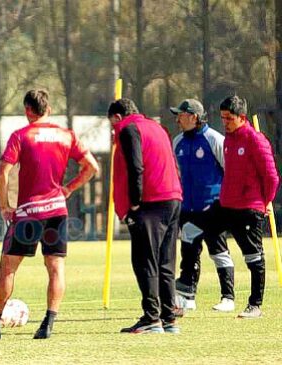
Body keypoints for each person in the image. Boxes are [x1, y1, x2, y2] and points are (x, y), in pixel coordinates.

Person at [0, 89, 98, 340]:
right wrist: (69, 188)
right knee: (55, 267)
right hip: (58, 211)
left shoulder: (21, 136)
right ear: (48, 109)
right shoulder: (66, 135)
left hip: (29, 212)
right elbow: (91, 166)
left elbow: (1, 172)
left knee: (7, 267)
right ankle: (48, 324)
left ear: (28, 109)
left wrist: (6, 205)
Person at [108, 98, 183, 334]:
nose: (113, 130)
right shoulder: (157, 127)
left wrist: (134, 203)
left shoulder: (129, 129)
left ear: (118, 117)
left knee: (144, 260)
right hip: (172, 197)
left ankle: (152, 317)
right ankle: (168, 317)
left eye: (112, 125)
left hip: (151, 202)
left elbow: (135, 167)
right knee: (165, 261)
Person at [204, 95, 279, 319]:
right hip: (227, 204)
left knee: (253, 256)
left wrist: (264, 203)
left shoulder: (256, 140)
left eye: (229, 118)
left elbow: (271, 177)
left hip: (249, 207)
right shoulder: (228, 140)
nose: (225, 122)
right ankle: (225, 294)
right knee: (206, 230)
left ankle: (255, 305)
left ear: (242, 118)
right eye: (222, 118)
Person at [169, 99, 235, 313]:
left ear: (194, 117)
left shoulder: (214, 139)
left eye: (181, 115)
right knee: (189, 250)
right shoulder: (177, 141)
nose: (177, 119)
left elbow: (230, 171)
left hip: (213, 207)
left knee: (218, 251)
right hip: (187, 208)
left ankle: (228, 297)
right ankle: (188, 296)